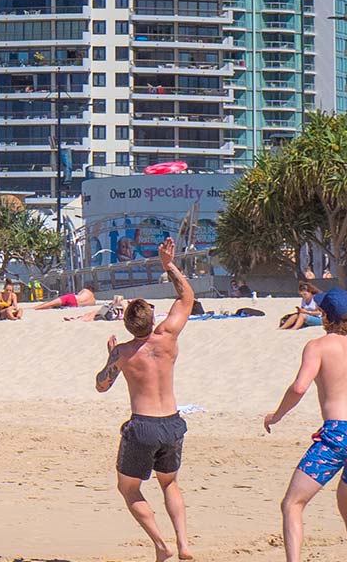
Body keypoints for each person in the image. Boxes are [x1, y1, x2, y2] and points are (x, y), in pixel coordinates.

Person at [263, 290, 347, 562]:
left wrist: (277, 415)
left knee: (292, 504)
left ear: (324, 316)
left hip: (339, 433)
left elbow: (299, 387)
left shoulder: (318, 346)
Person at [93, 237, 198, 562]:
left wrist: (111, 356)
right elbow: (187, 296)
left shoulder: (123, 352)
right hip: (171, 423)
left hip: (143, 427)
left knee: (128, 488)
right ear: (152, 321)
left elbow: (101, 385)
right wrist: (168, 264)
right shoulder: (168, 336)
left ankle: (161, 544)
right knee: (170, 484)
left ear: (127, 325)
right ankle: (183, 543)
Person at [32, 287, 99, 312]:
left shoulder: (85, 290)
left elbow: (78, 295)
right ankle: (38, 308)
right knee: (53, 305)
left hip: (72, 298)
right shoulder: (93, 301)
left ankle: (35, 308)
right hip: (75, 305)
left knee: (51, 303)